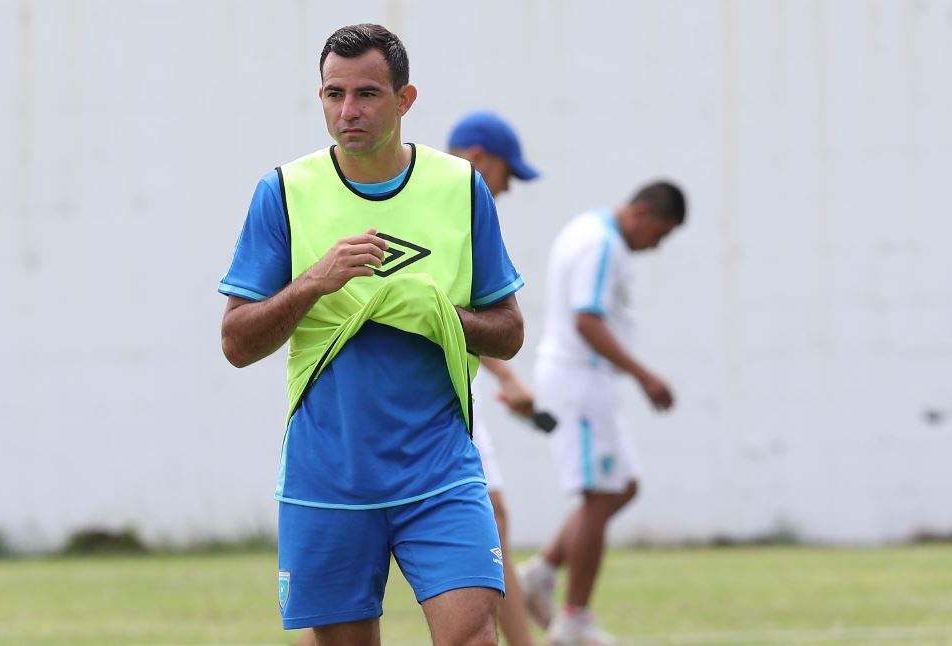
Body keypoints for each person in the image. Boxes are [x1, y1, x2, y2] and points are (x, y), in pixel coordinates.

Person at [219, 24, 525, 646]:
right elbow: (236, 343)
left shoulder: (461, 189)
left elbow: (509, 332)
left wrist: (436, 313)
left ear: (405, 99)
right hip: (328, 475)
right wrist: (314, 283)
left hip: (439, 469)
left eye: (366, 94)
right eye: (333, 94)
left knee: (473, 636)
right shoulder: (282, 192)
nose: (347, 111)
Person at [517, 181, 687, 646]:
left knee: (623, 486)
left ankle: (541, 574)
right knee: (598, 494)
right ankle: (574, 619)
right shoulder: (602, 244)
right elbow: (587, 319)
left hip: (586, 382)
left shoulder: (589, 230)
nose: (657, 245)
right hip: (580, 381)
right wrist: (644, 374)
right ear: (644, 214)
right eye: (662, 233)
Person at [449, 111, 542, 646]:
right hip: (438, 394)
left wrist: (505, 378)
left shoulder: (456, 208)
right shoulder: (450, 205)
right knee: (493, 520)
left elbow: (457, 316)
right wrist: (510, 379)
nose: (505, 192)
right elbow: (441, 314)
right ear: (480, 158)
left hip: (459, 386)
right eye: (508, 176)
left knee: (495, 518)